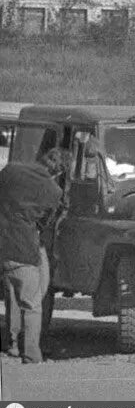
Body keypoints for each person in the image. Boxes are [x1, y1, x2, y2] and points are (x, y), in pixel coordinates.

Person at [1, 150, 67, 364]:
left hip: (3, 243)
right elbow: (44, 223)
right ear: (58, 171)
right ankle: (31, 355)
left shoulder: (10, 170)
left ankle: (11, 343)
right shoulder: (53, 191)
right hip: (23, 246)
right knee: (32, 303)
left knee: (13, 291)